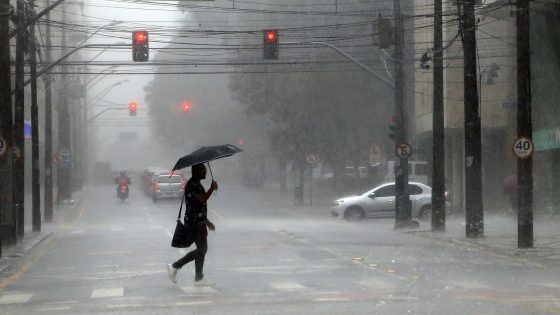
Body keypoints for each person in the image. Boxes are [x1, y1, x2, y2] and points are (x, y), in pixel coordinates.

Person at [167, 163, 218, 285]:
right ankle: (175, 266)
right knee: (202, 249)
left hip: (199, 222)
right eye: (203, 169)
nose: (205, 171)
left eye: (205, 169)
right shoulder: (192, 185)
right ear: (196, 171)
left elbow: (199, 206)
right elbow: (202, 199)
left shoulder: (196, 184)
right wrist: (212, 188)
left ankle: (198, 278)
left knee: (202, 249)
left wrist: (207, 221)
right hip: (194, 223)